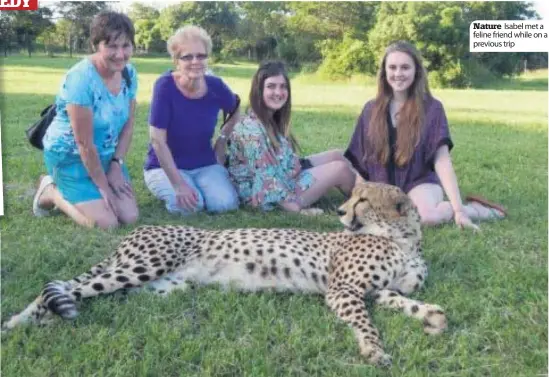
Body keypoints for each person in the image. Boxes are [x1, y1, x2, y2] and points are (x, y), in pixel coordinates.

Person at [344, 41, 507, 230]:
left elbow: (442, 160)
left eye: (405, 67)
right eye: (392, 67)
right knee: (370, 220)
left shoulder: (432, 108)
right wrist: (355, 202)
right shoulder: (370, 109)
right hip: (383, 183)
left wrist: (459, 211)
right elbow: (362, 163)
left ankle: (473, 209)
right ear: (384, 71)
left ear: (416, 71)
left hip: (419, 181)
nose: (398, 74)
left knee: (426, 218)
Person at [32, 11, 139, 229]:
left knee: (129, 217)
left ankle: (95, 187)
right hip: (70, 156)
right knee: (107, 223)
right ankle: (51, 192)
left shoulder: (129, 73)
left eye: (126, 45)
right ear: (96, 45)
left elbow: (128, 125)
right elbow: (84, 144)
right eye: (111, 46)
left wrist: (117, 165)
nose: (120, 54)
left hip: (106, 155)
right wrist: (104, 187)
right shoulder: (81, 79)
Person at [226, 61, 355, 214]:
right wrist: (296, 210)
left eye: (283, 86)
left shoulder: (269, 117)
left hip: (285, 174)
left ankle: (377, 187)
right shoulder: (250, 130)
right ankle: (373, 201)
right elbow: (267, 179)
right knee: (340, 169)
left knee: (340, 154)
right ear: (258, 90)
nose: (278, 92)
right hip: (264, 196)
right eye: (271, 86)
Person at [144, 26, 240, 215]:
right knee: (190, 208)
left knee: (225, 204)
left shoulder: (216, 86)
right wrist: (179, 185)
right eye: (187, 57)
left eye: (201, 56)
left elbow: (236, 110)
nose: (195, 61)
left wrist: (221, 140)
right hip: (163, 167)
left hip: (204, 163)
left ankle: (199, 186)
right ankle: (175, 187)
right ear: (176, 60)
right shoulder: (165, 86)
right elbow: (157, 140)